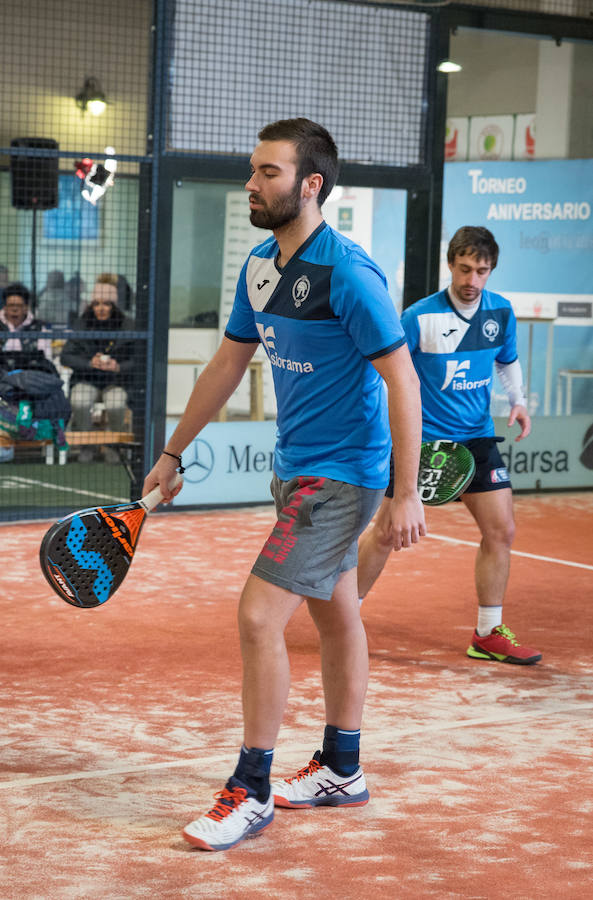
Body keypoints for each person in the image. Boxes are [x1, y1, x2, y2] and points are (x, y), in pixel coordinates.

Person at [143, 118, 425, 852]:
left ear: (310, 185)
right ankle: (342, 766)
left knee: (258, 616)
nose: (250, 183)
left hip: (339, 477)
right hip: (295, 466)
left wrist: (405, 492)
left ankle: (251, 787)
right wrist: (172, 452)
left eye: (267, 172)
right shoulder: (261, 266)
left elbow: (402, 380)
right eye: (252, 170)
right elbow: (227, 366)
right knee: (337, 616)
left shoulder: (350, 275)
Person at [357, 225, 541, 666]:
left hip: (476, 438)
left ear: (491, 270)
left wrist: (517, 402)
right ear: (450, 265)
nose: (471, 280)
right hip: (420, 442)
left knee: (502, 530)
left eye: (481, 271)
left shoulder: (501, 312)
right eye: (464, 269)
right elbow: (385, 373)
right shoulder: (419, 318)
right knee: (387, 534)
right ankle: (344, 615)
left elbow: (506, 359)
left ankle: (487, 633)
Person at [60, 273, 135, 459]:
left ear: (114, 306)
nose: (101, 308)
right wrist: (88, 363)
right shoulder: (81, 324)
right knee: (79, 401)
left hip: (117, 381)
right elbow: (66, 356)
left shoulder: (128, 325)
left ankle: (113, 444)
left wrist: (118, 367)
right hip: (87, 379)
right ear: (91, 305)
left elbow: (139, 359)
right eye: (97, 304)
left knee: (116, 404)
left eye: (107, 304)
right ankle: (88, 443)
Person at [0, 282, 52, 359]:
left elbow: (46, 359)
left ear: (26, 308)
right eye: (11, 305)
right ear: (4, 307)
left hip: (31, 370)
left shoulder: (39, 329)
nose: (14, 309)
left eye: (19, 306)